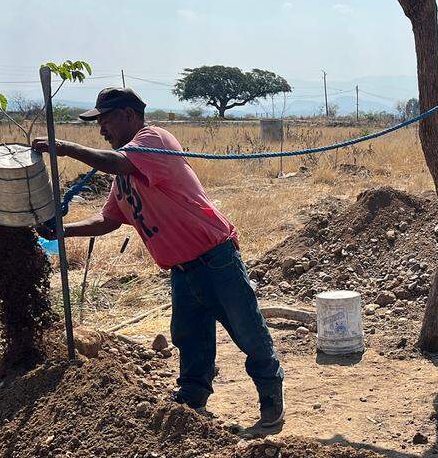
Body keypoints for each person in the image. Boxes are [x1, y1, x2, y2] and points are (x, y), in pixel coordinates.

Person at [32, 87, 285, 436]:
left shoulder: (154, 140)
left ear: (129, 115)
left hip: (215, 258)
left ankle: (270, 398)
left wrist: (65, 149)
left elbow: (116, 161)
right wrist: (62, 230)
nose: (102, 130)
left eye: (105, 121)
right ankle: (193, 400)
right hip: (182, 269)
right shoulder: (123, 176)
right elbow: (108, 219)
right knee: (189, 337)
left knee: (248, 332)